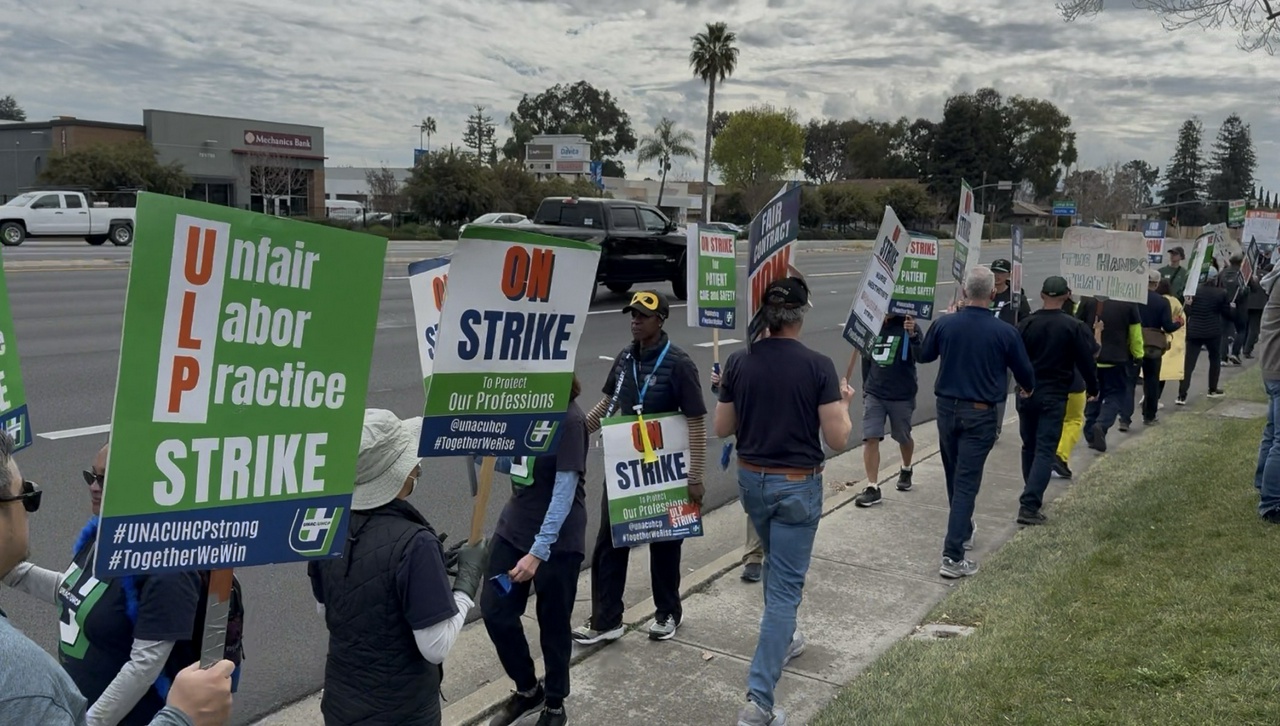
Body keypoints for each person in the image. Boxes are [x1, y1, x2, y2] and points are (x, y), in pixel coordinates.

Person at [0, 430, 235, 726]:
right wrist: (14, 571)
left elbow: (144, 666)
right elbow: (79, 592)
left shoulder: (168, 565)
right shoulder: (104, 534)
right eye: (91, 477)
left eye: (106, 479)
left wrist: (91, 722)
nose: (94, 488)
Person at [713, 276, 853, 726]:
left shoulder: (739, 361)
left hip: (752, 482)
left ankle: (788, 637)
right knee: (785, 591)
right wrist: (845, 403)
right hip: (796, 485)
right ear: (802, 312)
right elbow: (838, 437)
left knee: (776, 564)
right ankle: (758, 702)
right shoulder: (818, 366)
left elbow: (721, 428)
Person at [309, 409, 489, 726]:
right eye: (411, 462)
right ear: (400, 474)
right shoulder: (415, 544)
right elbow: (435, 647)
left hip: (341, 704)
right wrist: (466, 584)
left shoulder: (328, 527)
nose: (418, 467)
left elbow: (329, 612)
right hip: (402, 712)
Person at [573, 290, 706, 645]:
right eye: (632, 314)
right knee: (610, 541)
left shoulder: (679, 363)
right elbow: (607, 404)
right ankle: (606, 620)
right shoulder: (624, 359)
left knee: (665, 544)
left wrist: (695, 478)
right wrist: (576, 432)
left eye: (643, 316)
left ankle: (666, 613)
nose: (635, 321)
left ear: (660, 320)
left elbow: (695, 421)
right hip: (627, 468)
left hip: (666, 470)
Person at [483, 377, 589, 726]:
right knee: (496, 611)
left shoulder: (571, 421)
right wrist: (472, 442)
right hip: (514, 528)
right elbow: (511, 464)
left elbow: (564, 492)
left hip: (557, 542)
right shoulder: (524, 409)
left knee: (554, 624)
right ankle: (528, 690)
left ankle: (555, 702)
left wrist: (538, 551)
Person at [919, 266, 1035, 578]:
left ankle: (963, 529)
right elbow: (1025, 373)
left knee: (954, 476)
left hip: (946, 409)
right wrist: (1028, 388)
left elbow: (924, 355)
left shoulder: (945, 324)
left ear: (964, 292)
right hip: (981, 412)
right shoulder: (1004, 332)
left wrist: (915, 330)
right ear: (993, 293)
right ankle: (953, 555)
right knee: (966, 482)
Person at [1014, 276, 1099, 525]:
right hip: (1055, 393)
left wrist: (1020, 386)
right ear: (1066, 296)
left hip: (1027, 392)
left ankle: (1030, 489)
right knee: (1045, 449)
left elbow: (1015, 359)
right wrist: (1093, 388)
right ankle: (1029, 505)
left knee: (1028, 446)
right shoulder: (1074, 327)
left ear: (1041, 295)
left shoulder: (1026, 324)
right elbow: (1086, 361)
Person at [854, 313, 923, 508]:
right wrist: (866, 388)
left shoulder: (908, 325)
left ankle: (907, 467)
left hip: (901, 394)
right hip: (875, 392)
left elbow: (922, 355)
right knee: (870, 436)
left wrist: (913, 335)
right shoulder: (873, 326)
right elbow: (866, 359)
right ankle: (872, 487)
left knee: (903, 436)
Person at [1075, 295, 1142, 452]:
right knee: (1115, 395)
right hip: (1116, 358)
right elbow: (1135, 332)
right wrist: (1138, 355)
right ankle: (1103, 424)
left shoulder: (1087, 300)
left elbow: (1077, 325)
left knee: (1093, 394)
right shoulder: (1128, 302)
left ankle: (1090, 431)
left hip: (1091, 359)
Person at [1051, 292, 1100, 480]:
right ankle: (1060, 455)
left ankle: (1049, 452)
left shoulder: (1037, 323)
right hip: (1074, 383)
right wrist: (1098, 332)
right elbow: (1093, 354)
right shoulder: (1077, 329)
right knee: (1073, 420)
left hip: (1050, 384)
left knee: (1054, 421)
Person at [988, 258, 1030, 436]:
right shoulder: (985, 293)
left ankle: (995, 427)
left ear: (1008, 275)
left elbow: (1026, 320)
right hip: (984, 349)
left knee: (999, 389)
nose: (997, 276)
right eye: (994, 272)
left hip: (1004, 352)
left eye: (1000, 273)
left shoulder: (1015, 296)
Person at [1178, 268, 1231, 405]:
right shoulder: (1221, 293)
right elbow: (1227, 313)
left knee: (1188, 365)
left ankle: (1181, 395)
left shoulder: (1193, 293)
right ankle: (1212, 389)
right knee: (1214, 360)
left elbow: (1187, 312)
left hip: (1194, 330)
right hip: (1213, 331)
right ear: (1214, 279)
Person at [1253, 262, 1280, 523]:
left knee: (1272, 432)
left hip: (1271, 367)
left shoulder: (1275, 278)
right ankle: (1272, 504)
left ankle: (1264, 485)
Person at [1138, 269, 1183, 425]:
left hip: (1134, 341)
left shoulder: (1135, 299)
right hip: (1153, 344)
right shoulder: (1162, 302)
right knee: (1152, 381)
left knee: (1129, 380)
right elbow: (1168, 327)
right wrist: (1179, 322)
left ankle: (1124, 417)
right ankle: (1149, 415)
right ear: (1156, 284)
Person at [1157, 279, 1187, 406]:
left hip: (1151, 337)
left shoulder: (1152, 299)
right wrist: (1179, 322)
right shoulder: (1174, 301)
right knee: (1162, 372)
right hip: (1168, 340)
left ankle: (1147, 396)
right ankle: (1155, 398)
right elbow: (1180, 319)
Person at [1221, 255, 1249, 364]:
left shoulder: (1223, 273)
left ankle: (1223, 358)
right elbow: (1254, 288)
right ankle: (1235, 353)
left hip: (1225, 305)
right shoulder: (1244, 274)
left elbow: (1217, 285)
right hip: (1240, 307)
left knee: (1223, 332)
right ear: (1241, 262)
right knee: (1241, 330)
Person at [1245, 261, 1270, 358]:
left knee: (1246, 328)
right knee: (1254, 329)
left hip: (1247, 304)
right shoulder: (1268, 276)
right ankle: (1247, 350)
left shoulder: (1252, 274)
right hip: (1259, 306)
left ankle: (1244, 347)